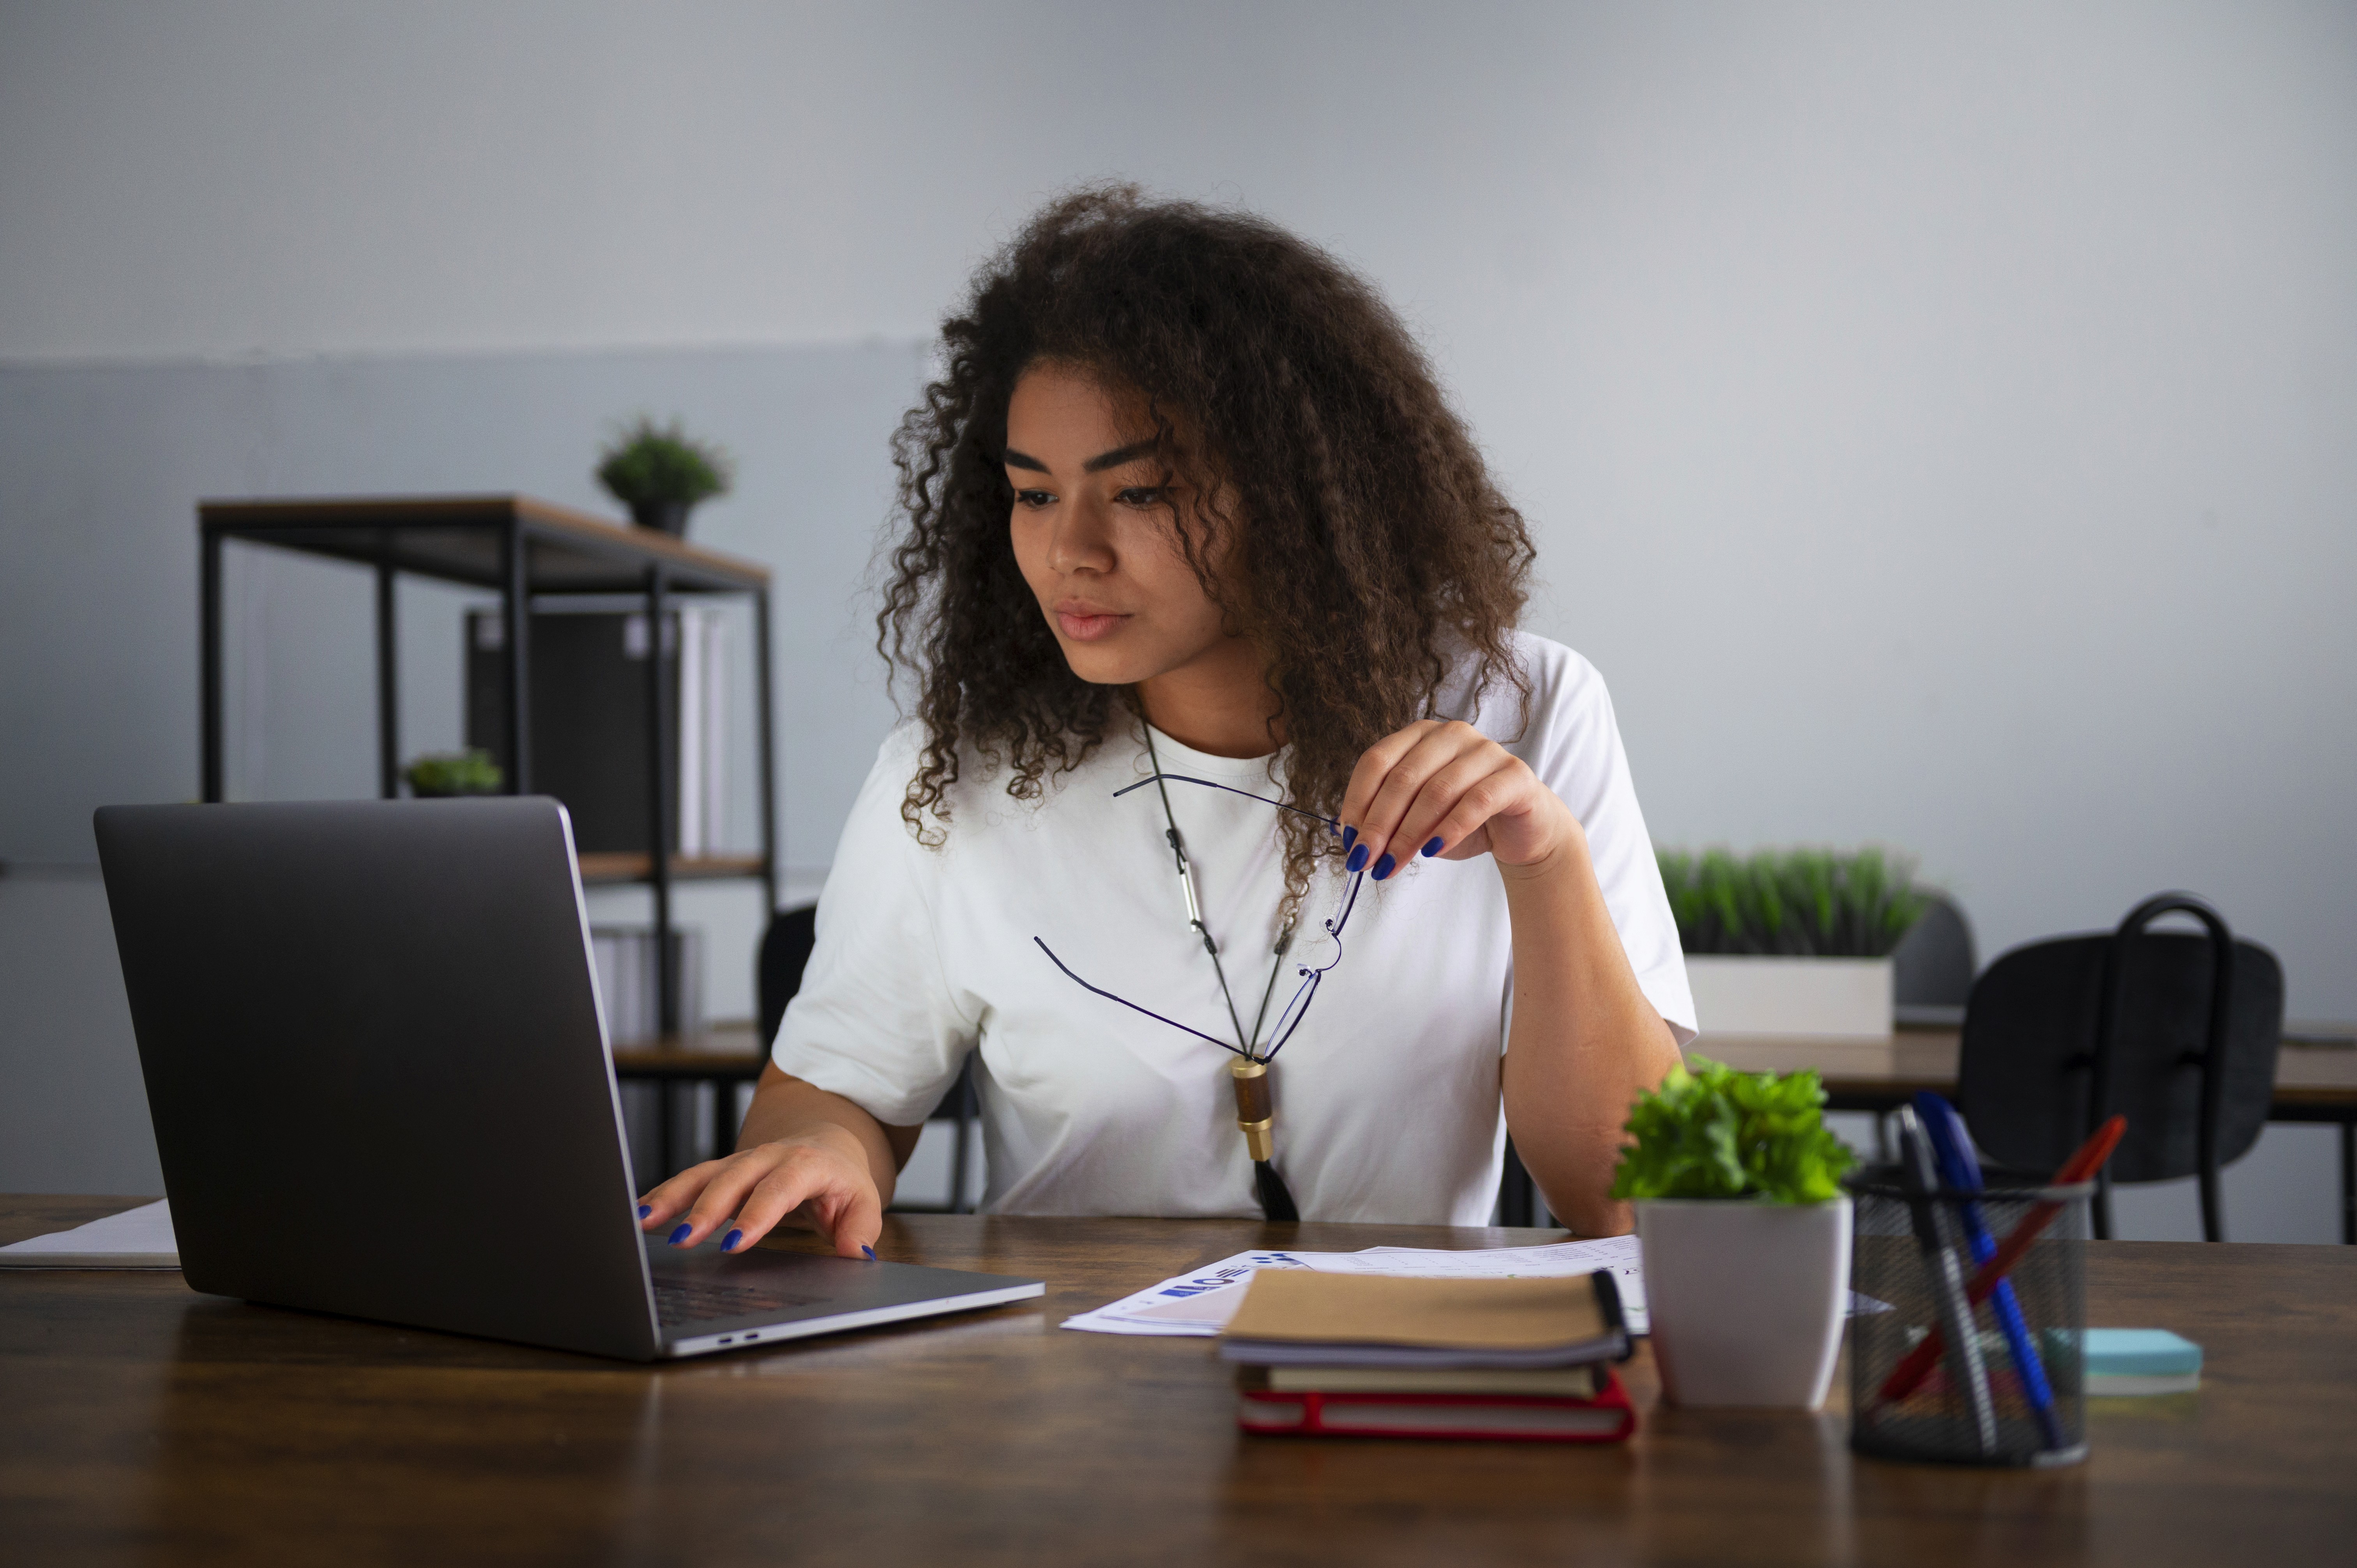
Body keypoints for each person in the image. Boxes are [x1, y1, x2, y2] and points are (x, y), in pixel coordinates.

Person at [638, 187, 1693, 1259]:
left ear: (1295, 494)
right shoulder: (954, 776)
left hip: (1394, 1380)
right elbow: (829, 1102)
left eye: (1137, 493)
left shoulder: (1525, 713)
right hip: (1063, 1389)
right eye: (1033, 494)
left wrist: (1544, 858)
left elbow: (1624, 1201)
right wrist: (822, 1150)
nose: (1069, 552)